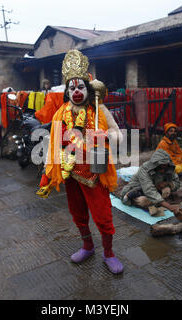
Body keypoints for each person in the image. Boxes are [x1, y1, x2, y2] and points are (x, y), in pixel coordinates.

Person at [38, 49, 123, 274]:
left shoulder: (99, 109)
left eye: (81, 87)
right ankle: (87, 246)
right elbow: (54, 144)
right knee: (77, 213)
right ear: (67, 91)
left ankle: (108, 253)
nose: (77, 91)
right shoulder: (60, 113)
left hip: (96, 170)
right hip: (70, 172)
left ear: (88, 88)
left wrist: (106, 137)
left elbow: (118, 134)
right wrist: (47, 173)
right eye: (72, 87)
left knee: (103, 216)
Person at [121, 149, 182, 216]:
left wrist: (167, 184)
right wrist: (169, 207)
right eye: (161, 166)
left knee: (167, 190)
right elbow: (149, 190)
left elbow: (177, 183)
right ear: (155, 164)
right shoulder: (144, 169)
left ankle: (158, 201)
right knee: (143, 201)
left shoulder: (168, 167)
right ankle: (157, 201)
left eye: (165, 165)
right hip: (138, 190)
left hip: (155, 190)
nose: (163, 169)